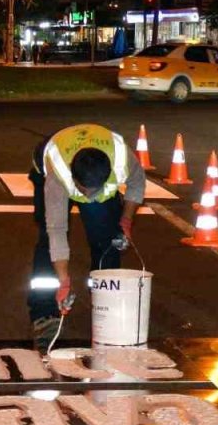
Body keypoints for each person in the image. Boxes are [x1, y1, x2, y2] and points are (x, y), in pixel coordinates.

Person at [27, 124, 146, 349]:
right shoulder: (58, 175)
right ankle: (44, 316)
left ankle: (106, 303)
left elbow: (137, 184)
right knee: (47, 244)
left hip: (95, 164)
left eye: (94, 192)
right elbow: (57, 231)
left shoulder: (122, 159)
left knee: (107, 241)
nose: (87, 197)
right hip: (47, 169)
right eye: (82, 191)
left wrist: (126, 221)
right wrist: (64, 282)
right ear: (74, 179)